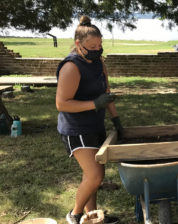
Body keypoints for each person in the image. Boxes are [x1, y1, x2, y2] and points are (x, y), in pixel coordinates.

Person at [55, 15, 124, 224]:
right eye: (92, 46)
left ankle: (92, 217)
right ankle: (74, 214)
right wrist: (95, 104)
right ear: (78, 44)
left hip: (94, 125)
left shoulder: (98, 62)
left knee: (92, 175)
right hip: (75, 128)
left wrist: (116, 120)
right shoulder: (71, 67)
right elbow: (62, 103)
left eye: (100, 44)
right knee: (95, 175)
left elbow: (107, 92)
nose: (98, 49)